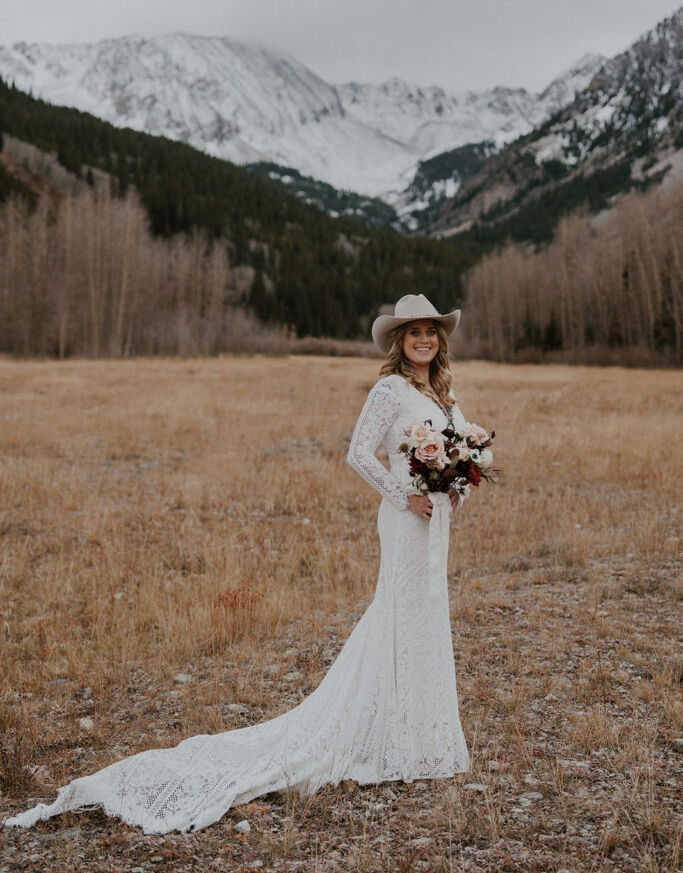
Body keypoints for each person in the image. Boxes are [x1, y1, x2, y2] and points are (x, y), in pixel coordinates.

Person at [3, 294, 469, 835]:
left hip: (435, 521)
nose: (423, 340)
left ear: (440, 338)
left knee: (427, 619)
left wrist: (456, 484)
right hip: (406, 520)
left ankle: (421, 739)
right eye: (413, 332)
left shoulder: (442, 392)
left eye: (431, 331)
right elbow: (358, 453)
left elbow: (463, 448)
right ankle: (388, 736)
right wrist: (401, 495)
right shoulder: (388, 389)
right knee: (399, 616)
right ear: (398, 340)